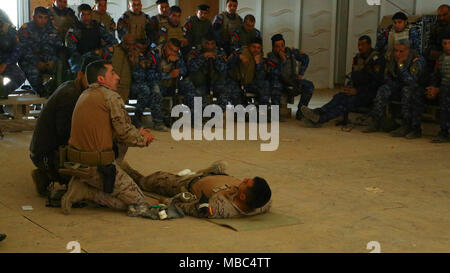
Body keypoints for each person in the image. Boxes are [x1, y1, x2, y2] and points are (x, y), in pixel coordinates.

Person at [59, 60, 154, 214]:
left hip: (76, 160)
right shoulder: (110, 97)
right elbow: (125, 133)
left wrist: (137, 133)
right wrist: (144, 138)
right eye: (112, 73)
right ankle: (86, 192)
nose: (117, 77)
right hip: (96, 164)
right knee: (139, 203)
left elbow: (115, 130)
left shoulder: (86, 94)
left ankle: (87, 183)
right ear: (101, 79)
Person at [30, 57, 98, 197]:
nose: (94, 85)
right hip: (46, 154)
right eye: (90, 79)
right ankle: (47, 175)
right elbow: (65, 134)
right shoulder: (70, 95)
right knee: (91, 176)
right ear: (80, 75)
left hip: (46, 149)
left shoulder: (75, 88)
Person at [121, 160, 272, 218]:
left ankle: (128, 172)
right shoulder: (263, 202)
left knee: (152, 180)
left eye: (247, 183)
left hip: (189, 183)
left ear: (243, 197)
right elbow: (266, 200)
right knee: (222, 165)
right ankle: (208, 171)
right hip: (218, 175)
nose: (244, 179)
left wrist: (169, 202)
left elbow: (192, 208)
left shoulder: (220, 208)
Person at [300, 36, 385, 126]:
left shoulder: (377, 59)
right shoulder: (357, 58)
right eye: (359, 45)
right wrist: (348, 87)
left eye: (363, 45)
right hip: (356, 90)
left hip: (369, 93)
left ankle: (320, 119)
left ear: (369, 45)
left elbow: (376, 83)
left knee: (346, 102)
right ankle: (317, 112)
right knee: (339, 96)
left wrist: (358, 91)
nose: (360, 47)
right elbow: (354, 77)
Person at [363, 39, 426, 139]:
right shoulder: (392, 58)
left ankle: (408, 125)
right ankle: (377, 120)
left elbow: (411, 81)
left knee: (407, 91)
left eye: (401, 51)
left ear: (408, 50)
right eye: (396, 51)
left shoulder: (416, 60)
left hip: (415, 88)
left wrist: (401, 66)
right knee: (383, 89)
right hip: (398, 85)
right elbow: (388, 76)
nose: (397, 54)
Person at [267, 34, 315, 120]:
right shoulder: (270, 57)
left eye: (282, 45)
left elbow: (305, 58)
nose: (280, 48)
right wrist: (283, 61)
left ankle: (301, 113)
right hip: (280, 84)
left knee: (309, 85)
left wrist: (301, 74)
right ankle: (275, 115)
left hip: (292, 81)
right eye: (277, 46)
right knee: (275, 85)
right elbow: (275, 73)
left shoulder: (290, 52)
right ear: (273, 48)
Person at [18, 7, 63, 97]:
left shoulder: (52, 29)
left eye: (45, 17)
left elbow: (58, 47)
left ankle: (58, 93)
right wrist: (37, 63)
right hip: (30, 61)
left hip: (48, 60)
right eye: (40, 17)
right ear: (33, 17)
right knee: (34, 73)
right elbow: (24, 50)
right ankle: (43, 94)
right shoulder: (25, 29)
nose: (43, 20)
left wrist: (52, 60)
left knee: (62, 70)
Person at [65, 4, 118, 73]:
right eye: (83, 15)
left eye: (88, 14)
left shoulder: (97, 27)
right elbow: (72, 51)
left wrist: (105, 49)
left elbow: (113, 41)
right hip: (81, 59)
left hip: (97, 56)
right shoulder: (74, 30)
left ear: (92, 15)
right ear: (78, 16)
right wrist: (91, 54)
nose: (86, 17)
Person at [225, 37, 271, 109]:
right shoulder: (241, 52)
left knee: (265, 84)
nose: (256, 50)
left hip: (250, 83)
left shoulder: (260, 58)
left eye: (258, 48)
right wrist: (238, 57)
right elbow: (228, 64)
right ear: (249, 46)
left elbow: (260, 78)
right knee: (240, 110)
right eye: (254, 47)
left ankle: (263, 109)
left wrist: (258, 64)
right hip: (236, 83)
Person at [186, 33, 228, 110]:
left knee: (226, 95)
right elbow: (191, 68)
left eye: (212, 44)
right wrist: (203, 57)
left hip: (217, 83)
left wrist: (216, 59)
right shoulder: (195, 51)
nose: (210, 46)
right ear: (202, 43)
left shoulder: (220, 52)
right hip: (200, 83)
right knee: (197, 97)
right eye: (207, 44)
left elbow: (224, 70)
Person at [100, 34, 139, 102]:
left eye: (133, 44)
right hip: (110, 85)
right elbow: (102, 66)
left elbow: (137, 74)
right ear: (122, 43)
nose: (130, 47)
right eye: (128, 44)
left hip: (124, 86)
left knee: (120, 107)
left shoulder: (136, 54)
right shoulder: (112, 50)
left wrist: (133, 62)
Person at [426, 32, 450, 143]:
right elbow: (436, 75)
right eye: (445, 43)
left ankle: (444, 130)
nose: (447, 46)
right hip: (444, 87)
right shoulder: (441, 58)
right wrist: (433, 87)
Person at [0, 14, 25, 98]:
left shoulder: (9, 29)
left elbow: (18, 49)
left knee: (20, 76)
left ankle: (2, 93)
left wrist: (5, 64)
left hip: (6, 62)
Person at [426, 5, 450, 72]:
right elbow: (430, 45)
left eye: (445, 15)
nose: (442, 18)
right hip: (439, 57)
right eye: (439, 16)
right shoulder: (435, 28)